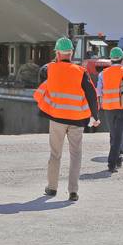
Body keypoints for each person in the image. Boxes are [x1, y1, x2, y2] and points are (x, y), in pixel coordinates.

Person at [34, 37, 100, 201]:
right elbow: (91, 94)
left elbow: (42, 82)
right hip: (77, 119)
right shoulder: (80, 71)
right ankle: (73, 191)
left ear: (57, 53)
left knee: (55, 154)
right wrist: (95, 116)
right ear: (71, 53)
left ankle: (52, 188)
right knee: (75, 155)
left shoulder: (49, 69)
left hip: (57, 118)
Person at [97, 47, 123, 173]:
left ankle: (117, 158)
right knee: (118, 136)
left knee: (113, 135)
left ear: (111, 59)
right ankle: (112, 163)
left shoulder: (103, 73)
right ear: (122, 59)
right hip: (121, 107)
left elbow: (99, 91)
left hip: (108, 108)